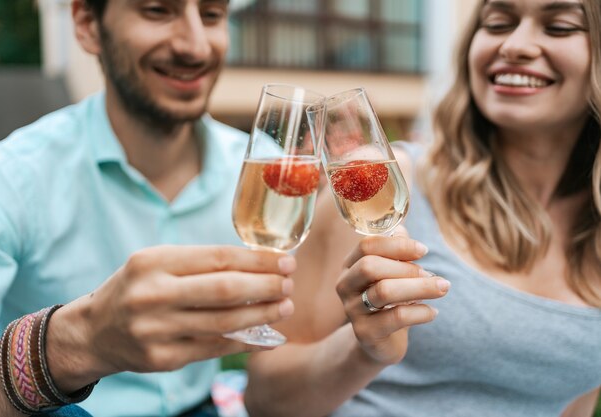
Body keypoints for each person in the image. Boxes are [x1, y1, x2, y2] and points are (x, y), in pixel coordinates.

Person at [245, 0, 601, 416]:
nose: (515, 45)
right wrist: (365, 351)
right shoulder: (384, 187)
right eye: (498, 23)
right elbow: (265, 401)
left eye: (559, 27)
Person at [0, 0, 302, 416]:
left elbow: (282, 362)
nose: (196, 47)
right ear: (87, 23)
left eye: (212, 14)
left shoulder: (262, 168)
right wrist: (71, 343)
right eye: (157, 10)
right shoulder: (6, 178)